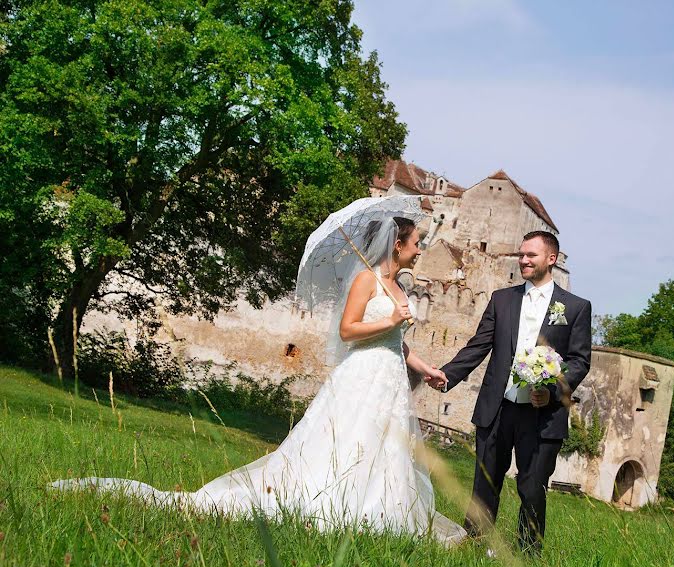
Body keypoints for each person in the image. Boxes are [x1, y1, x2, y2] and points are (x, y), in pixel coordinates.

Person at [51, 217, 466, 547]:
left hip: (390, 376)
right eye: (415, 243)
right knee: (348, 440)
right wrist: (389, 318)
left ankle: (382, 513)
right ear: (397, 244)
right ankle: (329, 507)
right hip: (362, 375)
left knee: (384, 446)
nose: (418, 249)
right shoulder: (366, 281)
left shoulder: (397, 285)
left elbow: (397, 342)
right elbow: (348, 331)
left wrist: (425, 367)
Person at [425, 231, 591, 555]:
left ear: (551, 259)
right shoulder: (502, 299)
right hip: (497, 408)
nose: (524, 260)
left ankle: (527, 557)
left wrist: (553, 391)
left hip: (542, 416)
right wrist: (448, 374)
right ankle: (474, 546)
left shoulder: (575, 307)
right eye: (522, 254)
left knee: (531, 489)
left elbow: (579, 361)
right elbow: (479, 345)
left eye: (531, 255)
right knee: (485, 484)